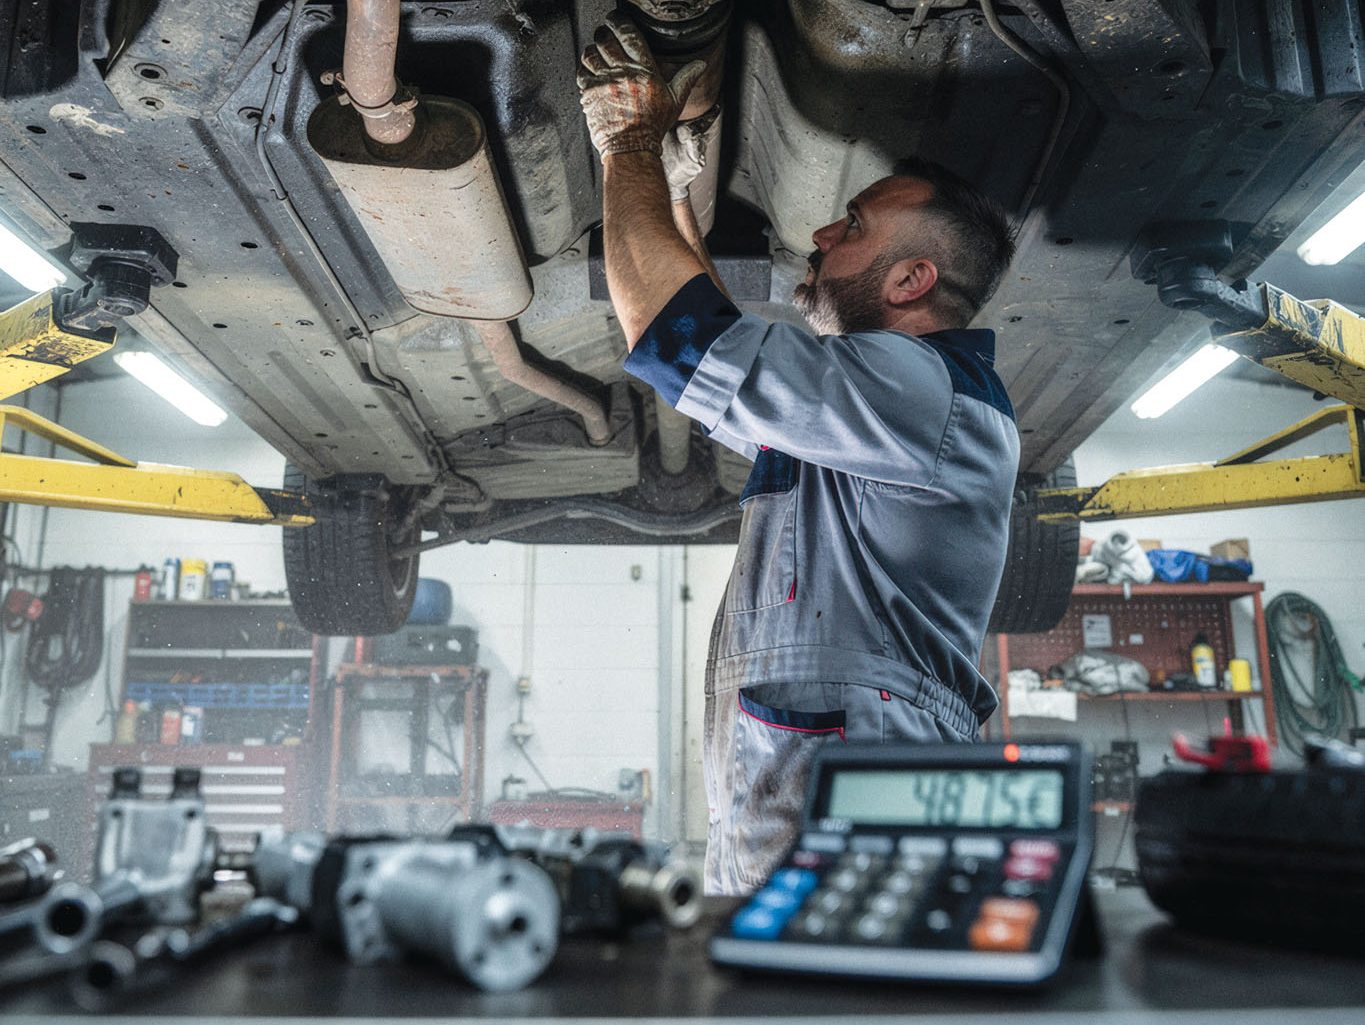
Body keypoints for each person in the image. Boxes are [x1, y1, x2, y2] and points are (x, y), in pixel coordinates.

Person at [578, 14, 1019, 896]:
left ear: (908, 282)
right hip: (829, 781)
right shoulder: (877, 410)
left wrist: (627, 143)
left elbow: (683, 343)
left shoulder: (919, 394)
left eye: (851, 225)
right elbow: (715, 357)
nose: (821, 236)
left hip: (857, 795)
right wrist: (664, 191)